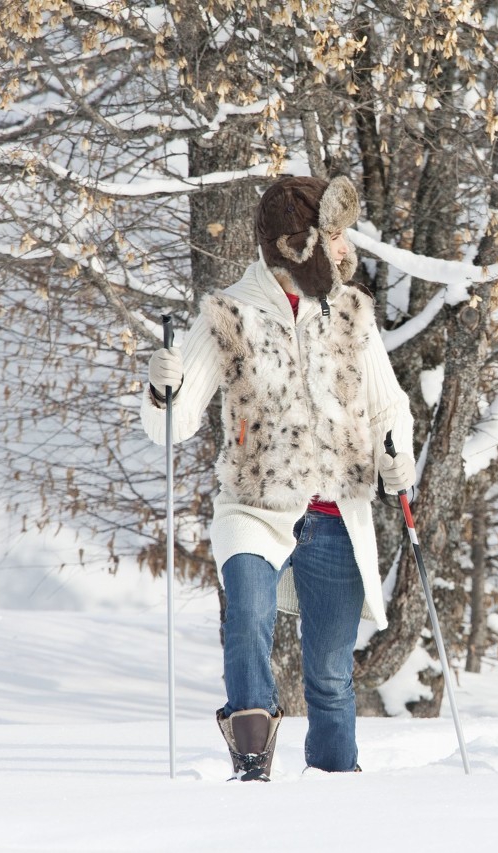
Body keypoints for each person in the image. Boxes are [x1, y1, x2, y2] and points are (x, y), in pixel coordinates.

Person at [140, 175, 416, 780]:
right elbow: (173, 424)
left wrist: (397, 456)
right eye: (334, 236)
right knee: (246, 621)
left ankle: (337, 786)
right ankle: (251, 766)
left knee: (330, 675)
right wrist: (163, 391)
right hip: (254, 508)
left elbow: (388, 406)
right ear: (299, 246)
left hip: (336, 514)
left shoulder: (350, 311)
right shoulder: (228, 314)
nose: (345, 249)